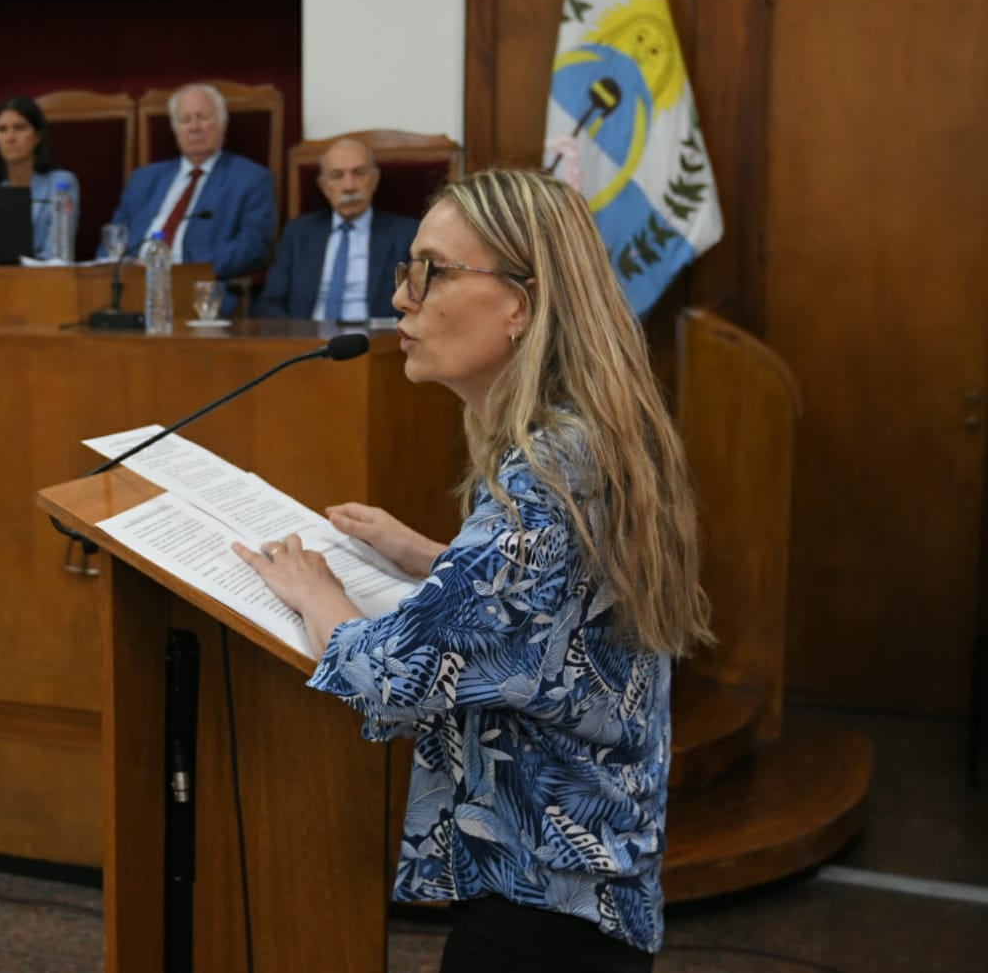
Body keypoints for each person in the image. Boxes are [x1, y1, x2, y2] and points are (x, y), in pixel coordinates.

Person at [233, 167, 710, 971]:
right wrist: (431, 557)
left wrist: (317, 590)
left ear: (519, 304)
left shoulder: (547, 487)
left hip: (546, 915)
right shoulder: (577, 443)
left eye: (432, 272)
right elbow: (548, 617)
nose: (402, 300)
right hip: (575, 892)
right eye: (404, 272)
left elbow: (390, 676)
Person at [109, 82, 275, 280]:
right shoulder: (143, 179)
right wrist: (120, 269)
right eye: (185, 120)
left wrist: (181, 270)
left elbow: (252, 248)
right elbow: (113, 238)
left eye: (203, 117)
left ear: (222, 124)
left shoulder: (251, 179)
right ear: (176, 130)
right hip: (131, 283)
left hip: (194, 288)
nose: (194, 127)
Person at [254, 138, 418, 321]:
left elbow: (419, 302)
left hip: (375, 344)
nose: (349, 186)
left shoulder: (406, 234)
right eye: (337, 175)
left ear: (374, 179)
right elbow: (270, 303)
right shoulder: (298, 233)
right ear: (324, 187)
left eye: (359, 173)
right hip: (308, 341)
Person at [0, 95, 78, 259]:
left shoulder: (62, 183)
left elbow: (57, 254)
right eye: (2, 130)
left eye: (19, 128)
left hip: (40, 278)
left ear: (38, 136)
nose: (10, 138)